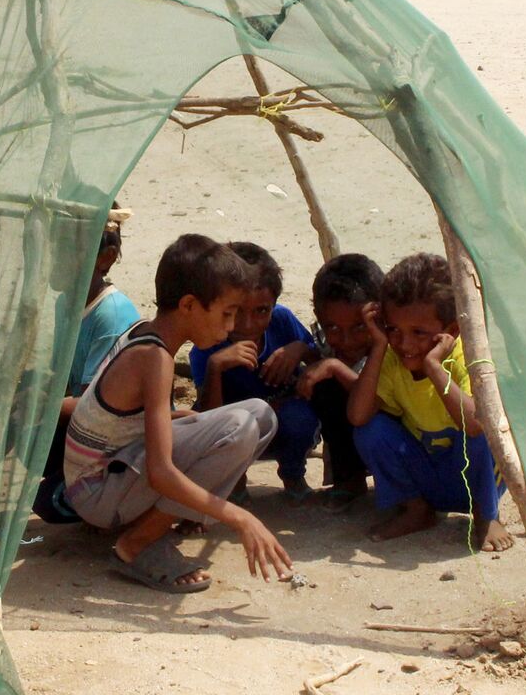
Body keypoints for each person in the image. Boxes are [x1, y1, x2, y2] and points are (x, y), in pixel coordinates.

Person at [63, 234, 293, 593]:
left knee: (260, 415)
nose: (231, 326)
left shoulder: (148, 337)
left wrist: (188, 419)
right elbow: (161, 473)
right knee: (241, 427)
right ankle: (136, 544)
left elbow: (122, 423)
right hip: (96, 491)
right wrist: (239, 517)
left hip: (107, 476)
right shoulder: (154, 358)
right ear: (189, 305)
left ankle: (152, 528)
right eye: (227, 313)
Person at [345, 253, 515, 552]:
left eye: (419, 333)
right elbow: (358, 416)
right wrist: (380, 344)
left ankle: (486, 516)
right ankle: (416, 510)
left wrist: (435, 368)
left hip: (475, 479)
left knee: (478, 427)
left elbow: (475, 425)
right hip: (428, 475)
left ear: (450, 331)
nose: (405, 344)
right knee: (371, 430)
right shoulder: (392, 357)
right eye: (393, 330)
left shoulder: (468, 357)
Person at [32, 205, 141, 524]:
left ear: (105, 257)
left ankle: (106, 494)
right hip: (85, 425)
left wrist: (37, 405)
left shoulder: (111, 314)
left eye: (64, 249)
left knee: (49, 502)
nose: (53, 258)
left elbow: (92, 408)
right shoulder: (67, 301)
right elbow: (61, 378)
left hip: (113, 436)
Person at [188, 241, 319, 504]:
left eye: (261, 311)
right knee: (231, 426)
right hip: (235, 434)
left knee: (301, 416)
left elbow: (319, 360)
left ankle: (293, 475)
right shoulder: (208, 344)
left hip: (285, 426)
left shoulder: (282, 321)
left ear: (273, 305)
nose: (248, 324)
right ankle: (234, 482)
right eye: (236, 312)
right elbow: (208, 419)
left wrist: (300, 349)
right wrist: (216, 367)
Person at [296, 253, 384, 513]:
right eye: (333, 328)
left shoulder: (394, 344)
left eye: (359, 328)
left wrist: (334, 366)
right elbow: (318, 367)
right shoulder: (325, 342)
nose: (346, 340)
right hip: (356, 428)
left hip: (390, 431)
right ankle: (349, 480)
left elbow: (374, 403)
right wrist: (302, 351)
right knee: (322, 386)